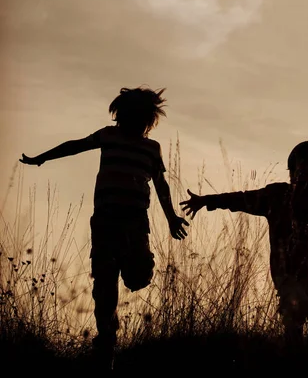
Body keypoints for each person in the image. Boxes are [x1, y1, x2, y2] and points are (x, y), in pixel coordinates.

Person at [19, 86, 189, 371]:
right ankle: (106, 344)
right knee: (105, 285)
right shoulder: (108, 136)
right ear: (120, 116)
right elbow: (75, 145)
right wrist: (43, 157)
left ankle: (137, 270)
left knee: (137, 277)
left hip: (135, 223)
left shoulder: (151, 148)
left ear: (147, 120)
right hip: (106, 222)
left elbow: (160, 184)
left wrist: (171, 217)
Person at [180, 141, 308, 360]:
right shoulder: (276, 195)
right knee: (295, 320)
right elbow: (239, 199)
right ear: (293, 167)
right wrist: (207, 201)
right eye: (304, 162)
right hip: (288, 277)